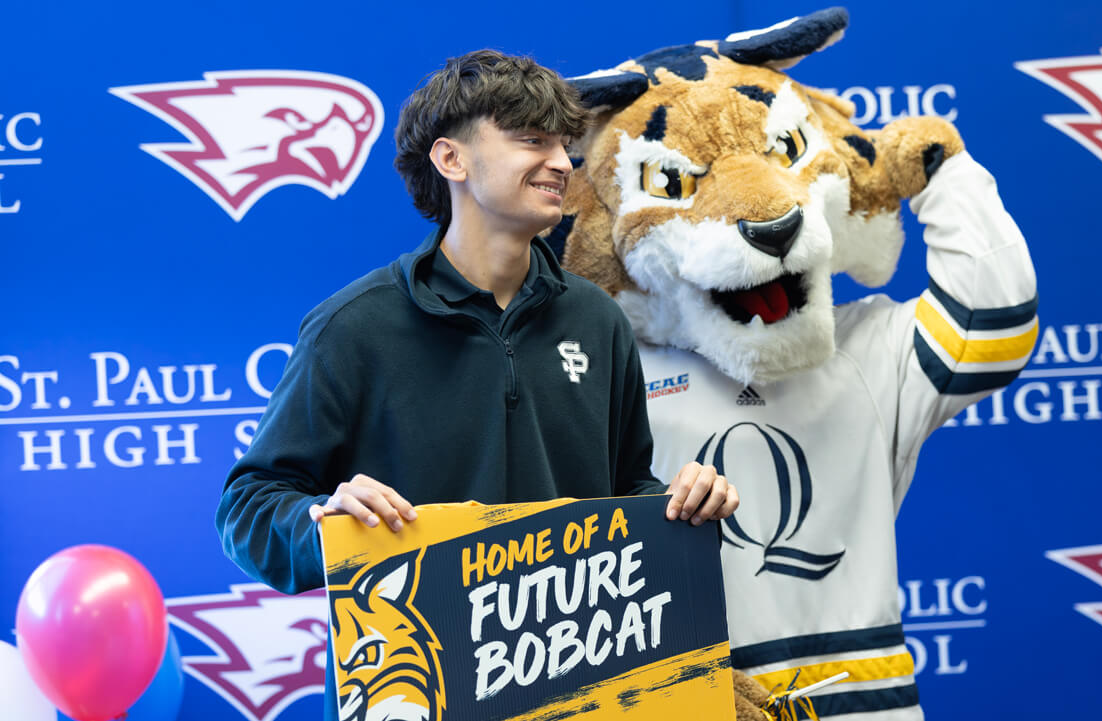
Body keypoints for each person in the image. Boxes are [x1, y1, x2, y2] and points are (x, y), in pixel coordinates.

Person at [214, 49, 739, 719]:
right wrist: (319, 521)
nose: (561, 162)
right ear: (451, 161)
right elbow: (248, 506)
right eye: (531, 140)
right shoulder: (352, 327)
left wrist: (681, 508)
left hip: (579, 693)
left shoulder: (597, 319)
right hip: (417, 693)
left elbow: (627, 486)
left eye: (562, 143)